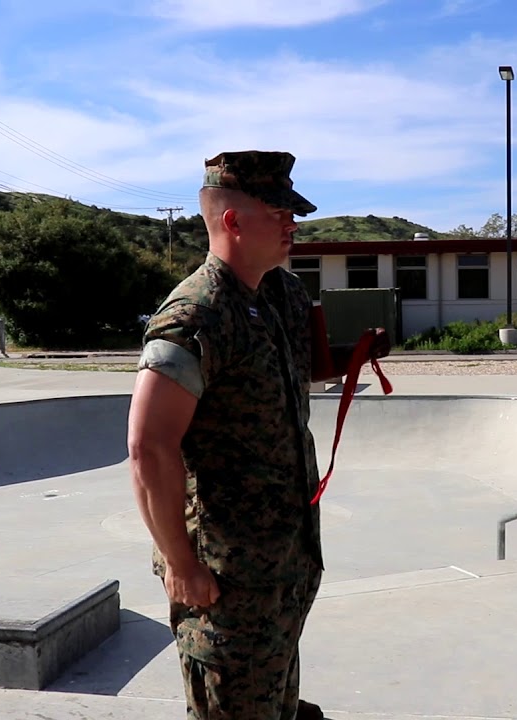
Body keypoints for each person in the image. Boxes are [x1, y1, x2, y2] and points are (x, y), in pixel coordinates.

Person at [127, 150, 388, 719]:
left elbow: (292, 369)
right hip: (224, 578)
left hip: (284, 561)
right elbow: (148, 446)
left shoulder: (282, 294)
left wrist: (353, 356)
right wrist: (180, 563)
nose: (292, 224)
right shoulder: (194, 314)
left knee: (275, 704)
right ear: (233, 221)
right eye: (279, 212)